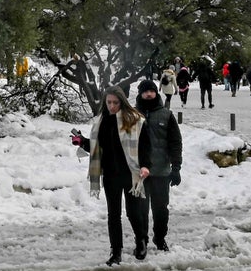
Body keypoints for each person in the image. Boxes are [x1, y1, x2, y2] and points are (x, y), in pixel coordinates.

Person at [72, 86, 150, 265]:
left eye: (116, 102)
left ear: (122, 102)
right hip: (110, 175)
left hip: (131, 174)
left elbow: (145, 146)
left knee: (133, 213)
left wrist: (146, 165)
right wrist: (82, 142)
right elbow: (96, 147)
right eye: (109, 102)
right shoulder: (101, 121)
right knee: (113, 215)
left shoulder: (135, 120)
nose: (112, 106)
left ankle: (141, 240)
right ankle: (116, 252)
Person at [135, 79, 183, 253]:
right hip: (139, 172)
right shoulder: (132, 115)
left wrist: (176, 168)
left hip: (162, 170)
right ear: (140, 93)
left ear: (156, 93)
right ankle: (141, 240)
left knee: (161, 209)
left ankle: (160, 237)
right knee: (140, 210)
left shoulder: (166, 115)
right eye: (145, 91)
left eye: (152, 91)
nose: (149, 94)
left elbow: (175, 142)